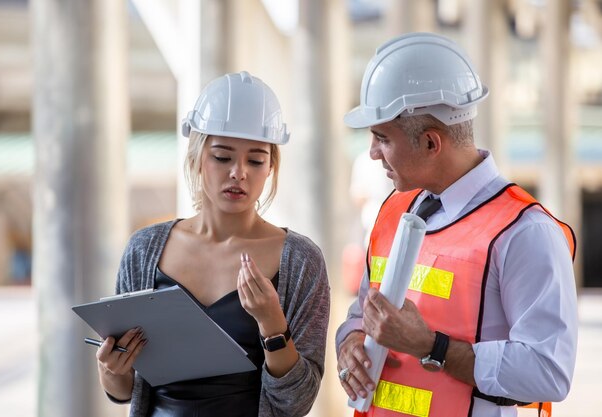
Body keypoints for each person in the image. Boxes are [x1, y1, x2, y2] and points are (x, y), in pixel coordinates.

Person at [335, 33, 577, 417]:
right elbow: (362, 311)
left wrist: (433, 347)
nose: (372, 153)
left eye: (382, 138)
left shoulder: (525, 231)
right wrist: (350, 339)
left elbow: (549, 372)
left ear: (431, 143)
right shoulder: (393, 211)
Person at [95, 71, 330, 417]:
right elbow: (126, 391)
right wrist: (111, 369)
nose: (239, 173)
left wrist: (272, 325)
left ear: (271, 167)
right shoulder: (144, 250)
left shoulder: (300, 260)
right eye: (222, 157)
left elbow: (297, 403)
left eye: (255, 160)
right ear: (197, 157)